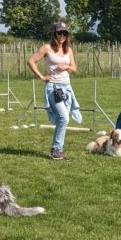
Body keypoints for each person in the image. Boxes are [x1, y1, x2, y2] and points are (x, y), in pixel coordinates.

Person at [28, 20, 81, 160]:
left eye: (65, 33)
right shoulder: (47, 48)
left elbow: (74, 68)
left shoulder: (68, 49)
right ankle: (56, 149)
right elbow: (31, 61)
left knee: (62, 120)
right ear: (54, 34)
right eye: (59, 33)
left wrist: (66, 67)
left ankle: (57, 149)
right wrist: (41, 76)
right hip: (54, 88)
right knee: (64, 118)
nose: (62, 35)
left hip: (67, 88)